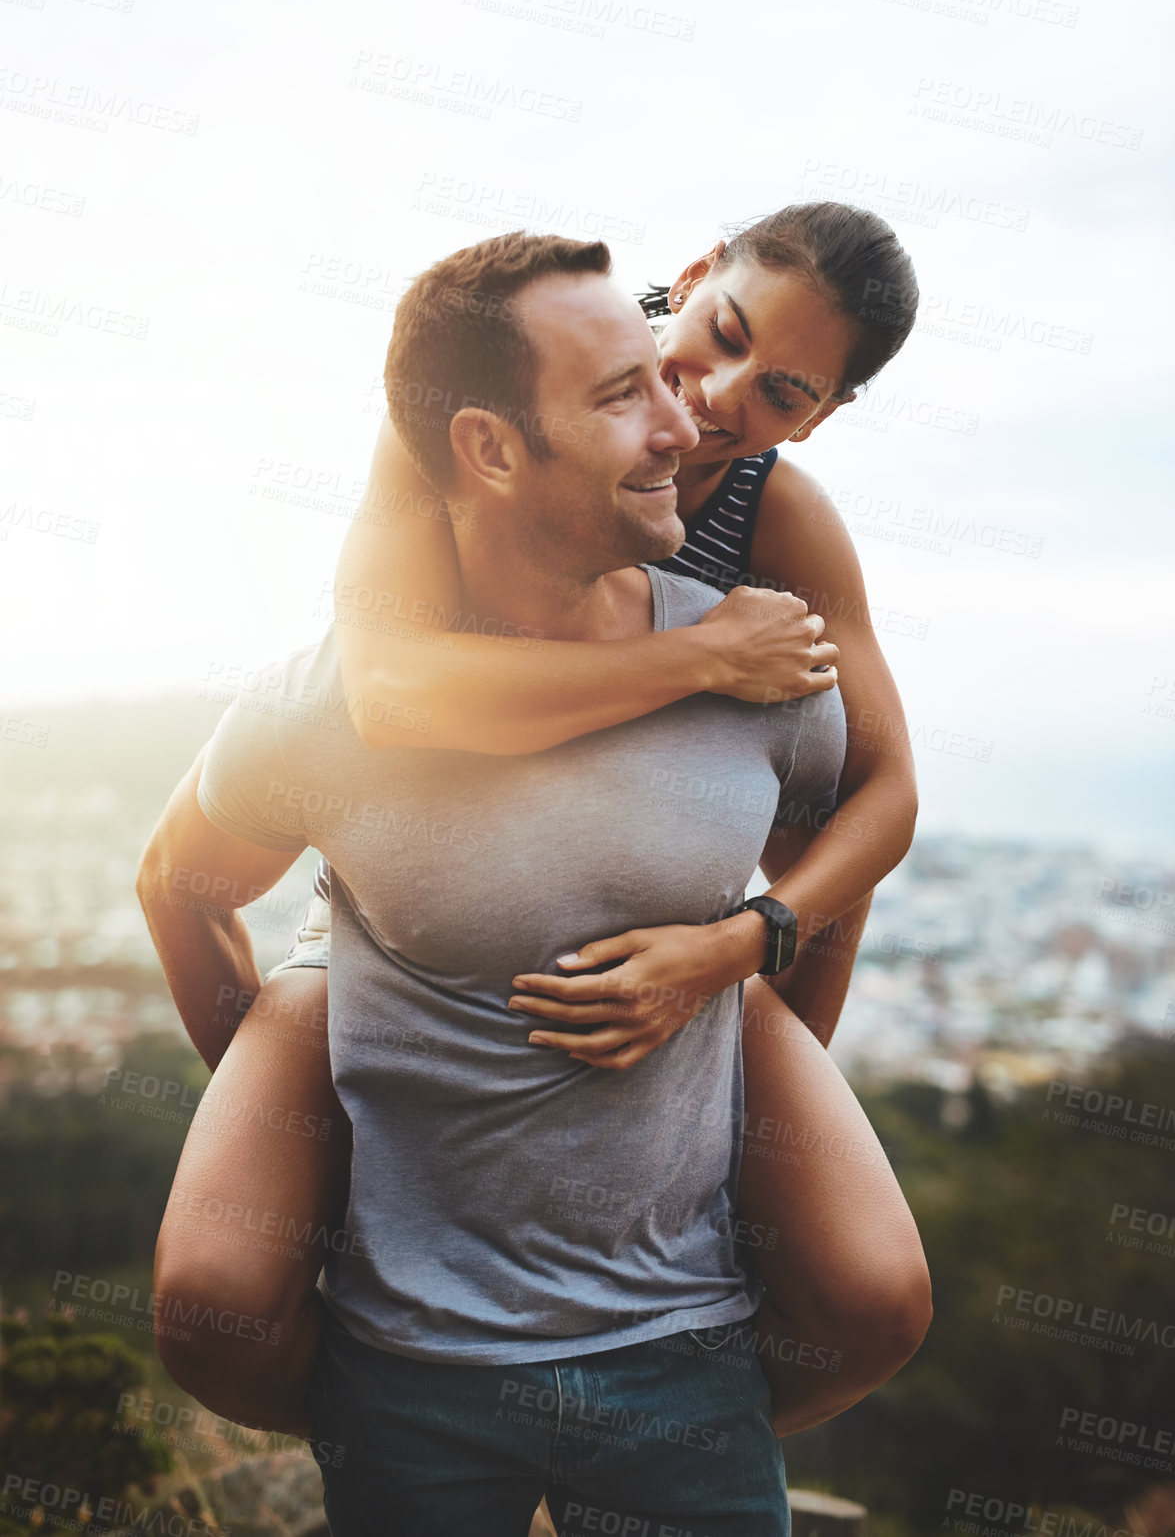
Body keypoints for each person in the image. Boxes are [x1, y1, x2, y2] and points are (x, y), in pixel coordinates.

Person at [138, 221, 930, 1516]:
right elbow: (390, 687)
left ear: (827, 414)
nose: (715, 401)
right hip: (408, 898)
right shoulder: (477, 416)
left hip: (681, 924)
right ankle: (407, 1411)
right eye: (721, 335)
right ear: (699, 269)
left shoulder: (777, 512)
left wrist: (737, 980)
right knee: (216, 1295)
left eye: (783, 392)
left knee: (872, 1289)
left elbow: (876, 799)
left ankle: (662, 1416)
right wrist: (332, 1135)